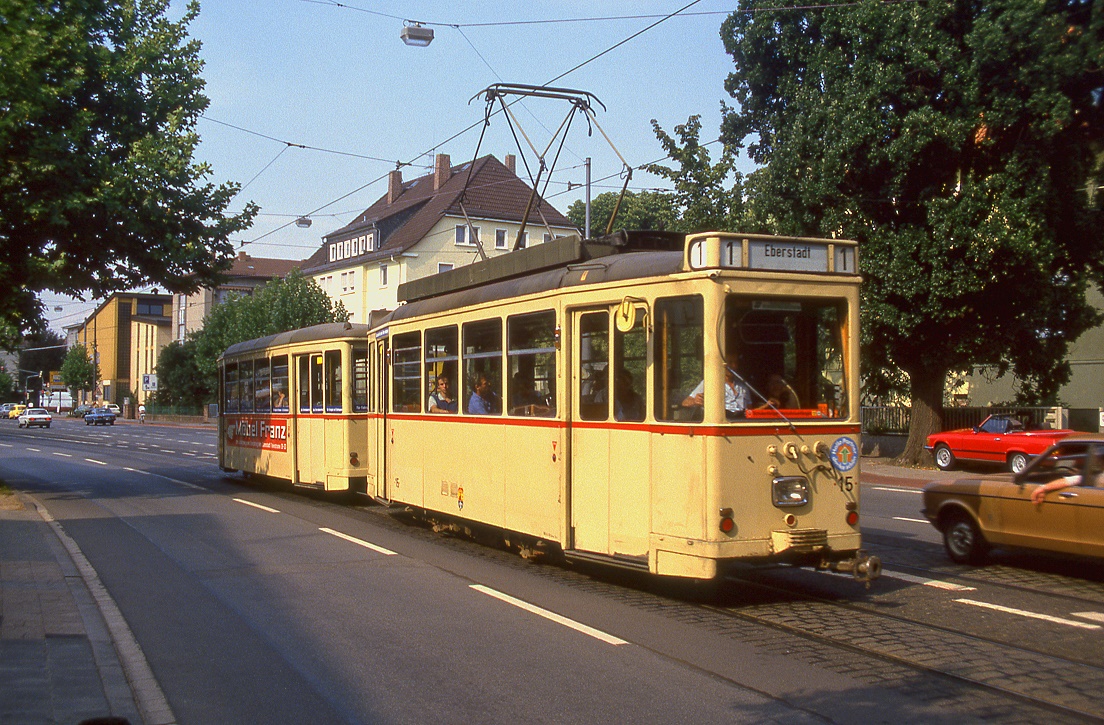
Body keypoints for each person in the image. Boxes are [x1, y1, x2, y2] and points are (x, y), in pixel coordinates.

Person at [681, 355, 750, 418]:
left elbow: (749, 408)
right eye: (730, 363)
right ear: (723, 365)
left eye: (736, 363)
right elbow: (685, 402)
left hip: (742, 421)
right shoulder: (710, 382)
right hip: (724, 421)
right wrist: (695, 401)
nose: (734, 366)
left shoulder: (743, 384)